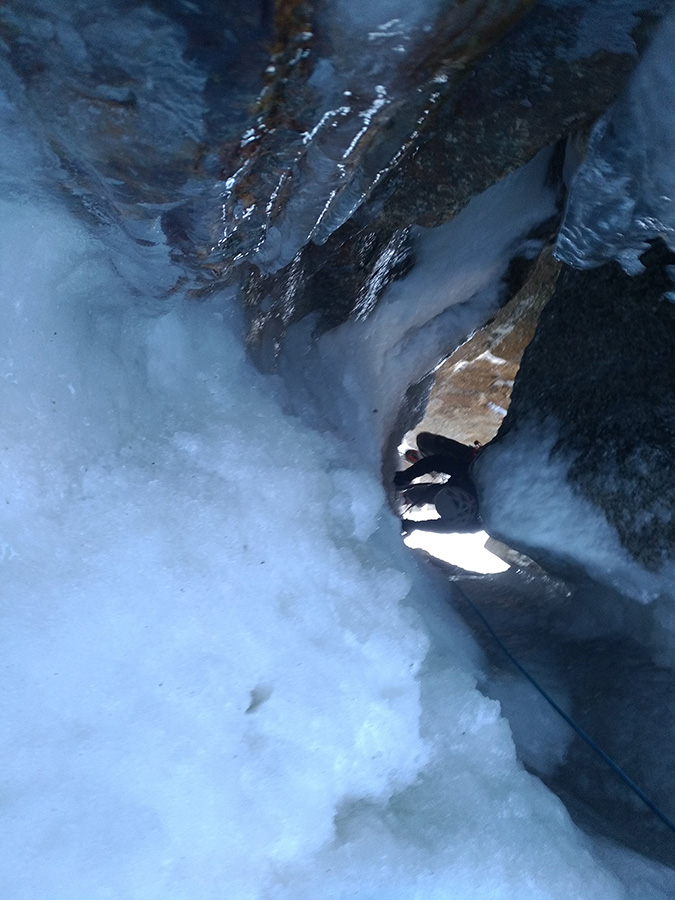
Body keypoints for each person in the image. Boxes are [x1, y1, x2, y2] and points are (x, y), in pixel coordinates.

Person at [394, 432, 483, 534]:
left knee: (419, 494)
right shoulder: (473, 473)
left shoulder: (476, 524)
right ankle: (422, 461)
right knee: (425, 441)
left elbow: (443, 527)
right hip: (468, 465)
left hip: (461, 481)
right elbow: (436, 462)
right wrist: (407, 476)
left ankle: (407, 496)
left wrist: (414, 525)